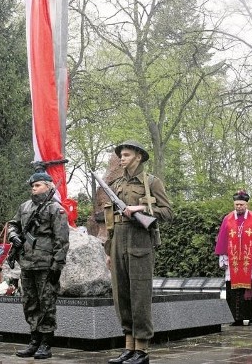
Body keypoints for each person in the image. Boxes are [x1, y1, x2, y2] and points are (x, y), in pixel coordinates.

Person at [105, 140, 173, 364]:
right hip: (118, 244)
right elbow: (110, 222)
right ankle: (129, 347)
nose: (121, 158)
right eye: (121, 155)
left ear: (138, 157)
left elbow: (168, 212)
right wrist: (108, 251)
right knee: (121, 297)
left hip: (140, 243)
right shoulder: (116, 185)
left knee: (139, 298)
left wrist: (140, 208)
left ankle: (142, 349)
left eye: (125, 155)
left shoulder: (152, 182)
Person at [6, 172, 70, 360]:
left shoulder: (55, 209)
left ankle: (46, 343)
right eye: (32, 186)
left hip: (46, 264)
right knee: (30, 303)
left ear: (49, 186)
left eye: (38, 185)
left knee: (47, 303)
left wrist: (57, 265)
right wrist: (13, 236)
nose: (34, 188)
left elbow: (62, 239)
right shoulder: (25, 207)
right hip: (27, 263)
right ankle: (34, 340)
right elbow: (13, 224)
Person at [215, 189, 252, 326]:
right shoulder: (227, 219)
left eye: (241, 204)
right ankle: (236, 318)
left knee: (251, 286)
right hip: (232, 259)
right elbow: (222, 238)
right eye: (237, 204)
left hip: (249, 258)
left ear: (247, 205)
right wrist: (222, 256)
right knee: (233, 290)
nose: (239, 207)